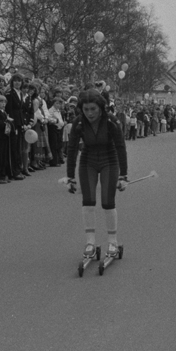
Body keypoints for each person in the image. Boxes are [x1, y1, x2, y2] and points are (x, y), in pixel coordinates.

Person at [66, 89, 128, 261]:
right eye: (85, 109)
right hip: (88, 161)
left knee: (108, 202)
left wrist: (124, 175)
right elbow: (71, 149)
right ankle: (90, 243)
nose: (89, 113)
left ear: (100, 107)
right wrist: (70, 177)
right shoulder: (78, 122)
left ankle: (113, 242)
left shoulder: (111, 121)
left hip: (109, 160)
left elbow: (121, 147)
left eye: (93, 109)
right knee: (88, 201)